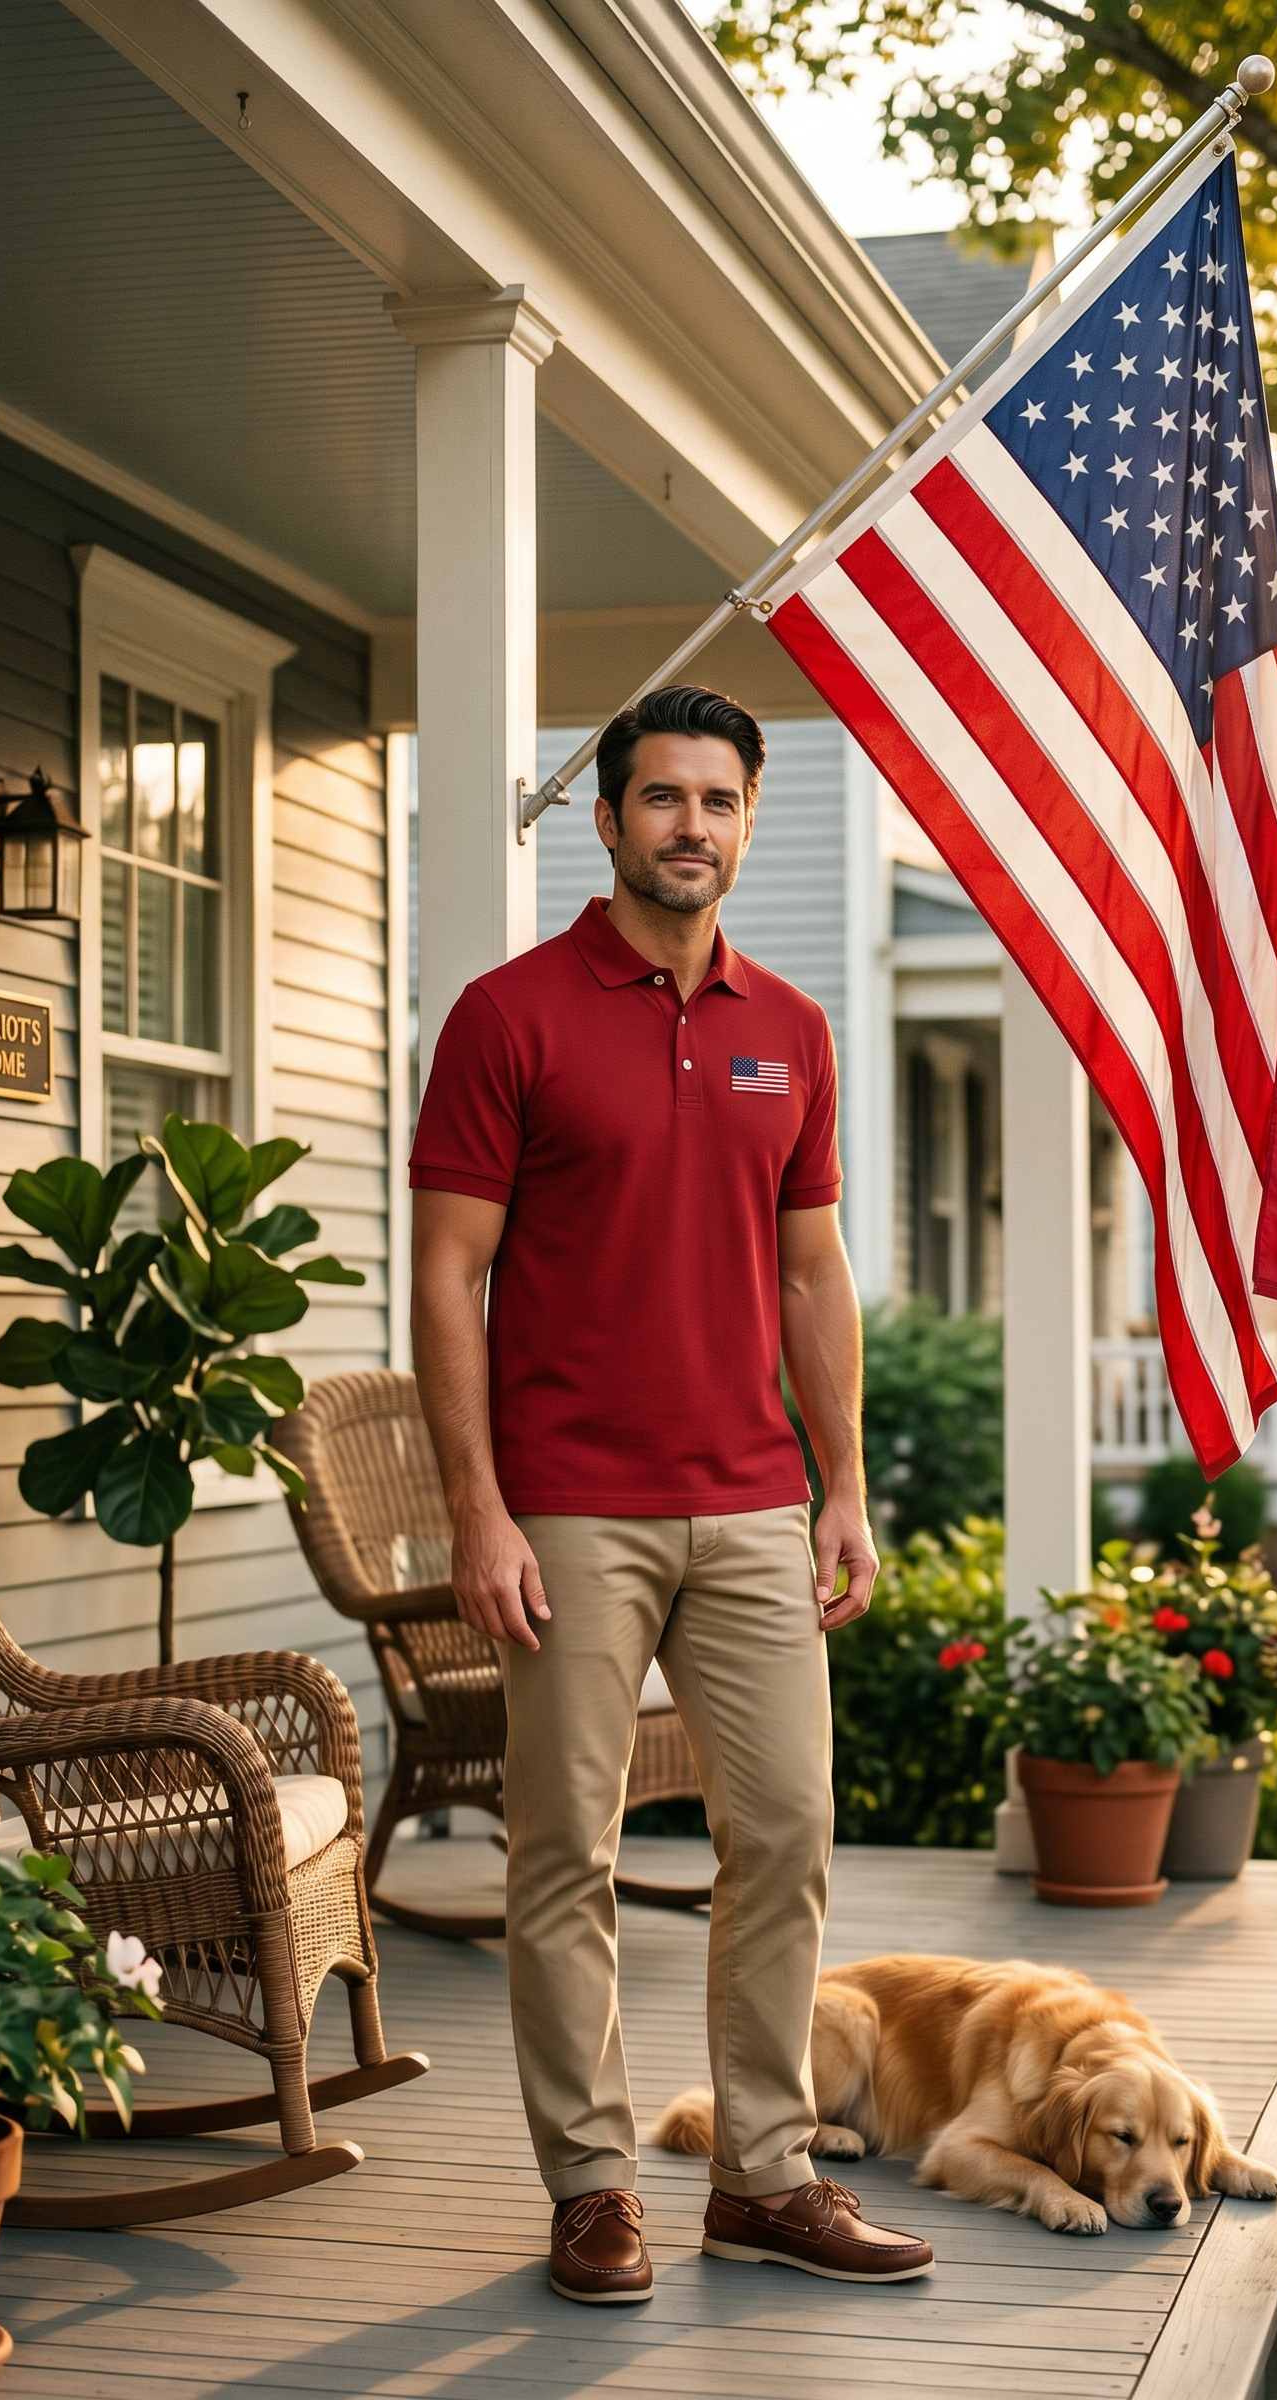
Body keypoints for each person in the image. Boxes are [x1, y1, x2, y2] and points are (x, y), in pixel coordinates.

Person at [409, 684, 935, 2303]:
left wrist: (841, 1486)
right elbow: (446, 1277)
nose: (690, 826)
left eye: (718, 799)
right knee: (561, 1845)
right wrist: (479, 1513)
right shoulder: (511, 1017)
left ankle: (765, 2177)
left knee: (785, 1828)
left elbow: (811, 1269)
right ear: (609, 816)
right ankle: (590, 2185)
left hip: (754, 1500)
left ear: (750, 819)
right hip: (570, 1504)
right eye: (661, 799)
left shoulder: (795, 1025)